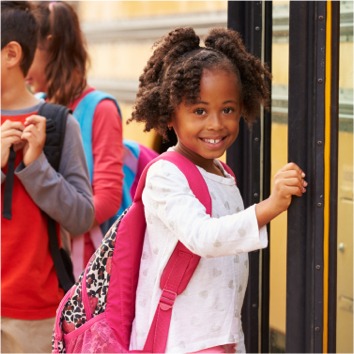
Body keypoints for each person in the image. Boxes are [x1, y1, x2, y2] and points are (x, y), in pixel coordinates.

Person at [128, 27, 307, 353]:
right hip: (181, 339)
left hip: (220, 334)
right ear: (169, 115)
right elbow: (203, 236)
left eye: (227, 109)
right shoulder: (164, 175)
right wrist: (271, 205)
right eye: (199, 111)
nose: (215, 124)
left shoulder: (222, 172)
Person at [1, 1, 95, 353]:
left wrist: (36, 166)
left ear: (11, 53)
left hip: (36, 314)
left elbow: (82, 217)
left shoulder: (57, 123)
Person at [26, 1, 124, 278]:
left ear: (51, 46)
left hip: (83, 259)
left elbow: (108, 195)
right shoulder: (35, 104)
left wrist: (68, 220)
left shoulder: (100, 108)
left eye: (29, 50)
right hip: (39, 249)